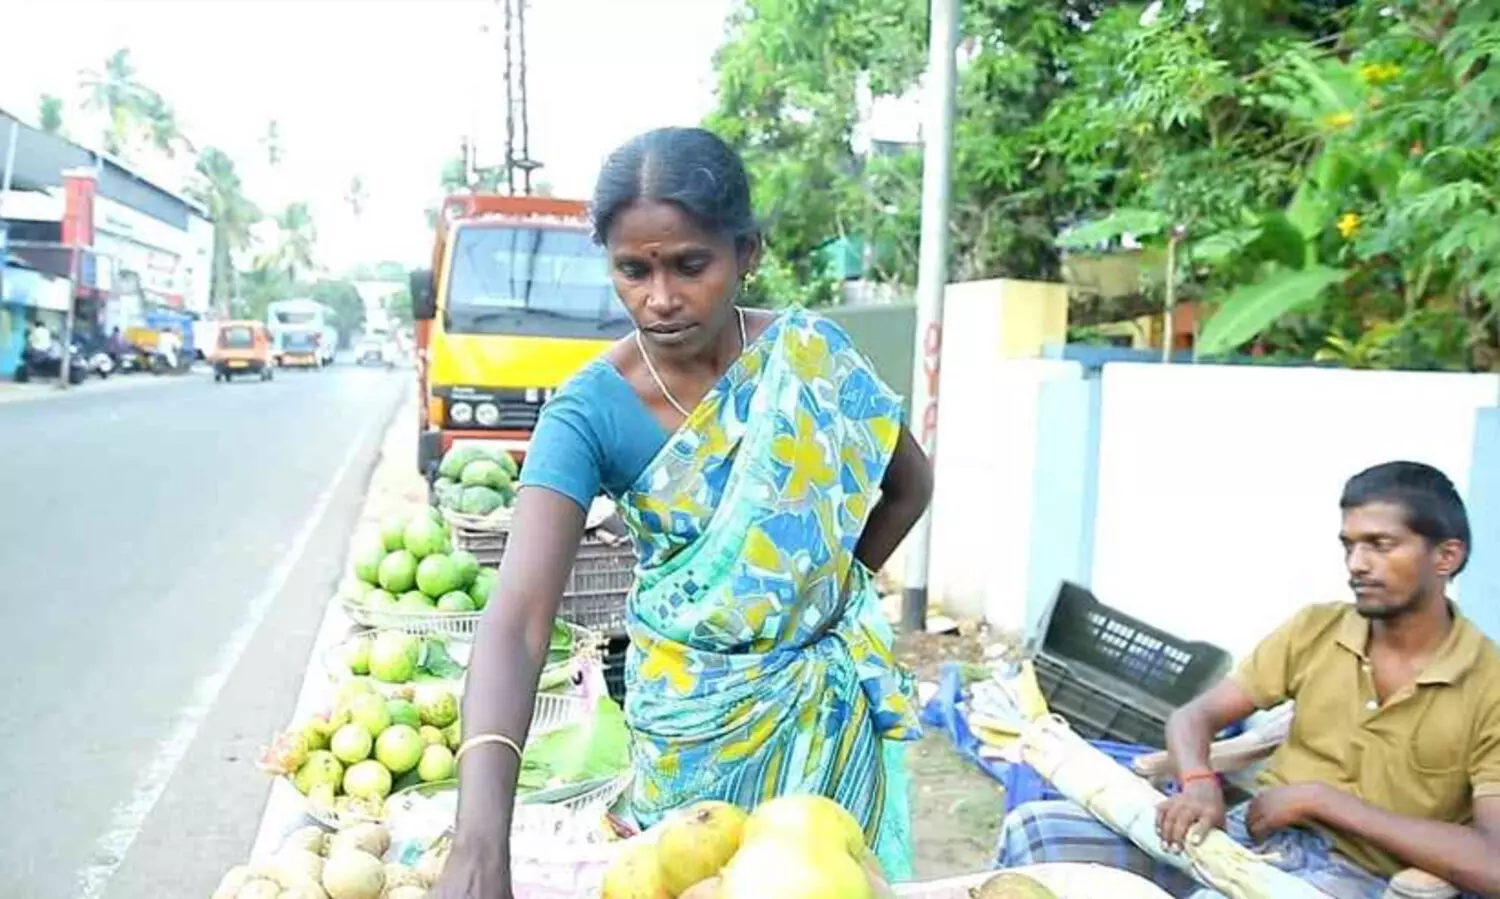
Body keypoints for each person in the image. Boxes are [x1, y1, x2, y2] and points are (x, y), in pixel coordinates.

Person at [431, 126, 933, 898]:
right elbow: (519, 620)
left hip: (825, 726)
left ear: (746, 252)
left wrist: (823, 595)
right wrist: (477, 840)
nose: (659, 298)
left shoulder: (811, 357)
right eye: (633, 270)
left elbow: (910, 485)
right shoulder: (588, 412)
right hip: (692, 739)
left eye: (690, 265)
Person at [995, 461, 1500, 898]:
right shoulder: (1317, 628)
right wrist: (1198, 783)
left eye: (1380, 545)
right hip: (1247, 836)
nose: (1357, 564)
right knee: (1036, 833)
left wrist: (1322, 801)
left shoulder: (1489, 684)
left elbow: (1493, 863)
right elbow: (1197, 716)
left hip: (1354, 874)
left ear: (1446, 557)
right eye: (1349, 545)